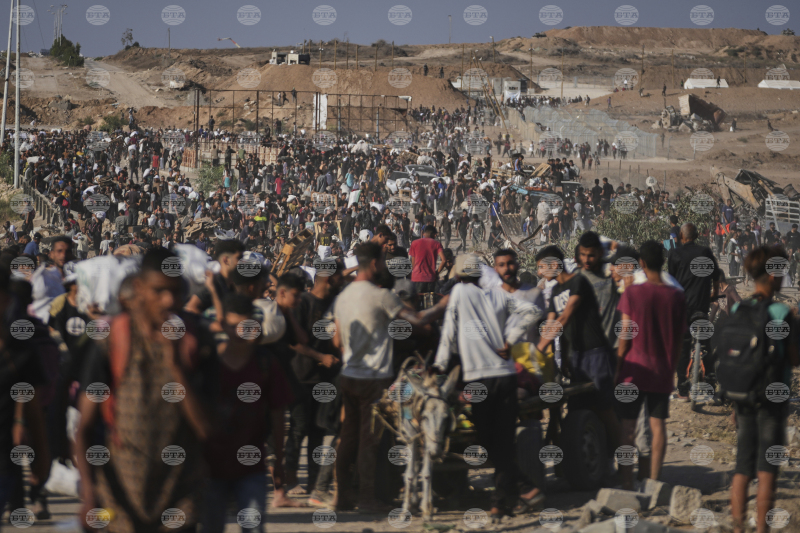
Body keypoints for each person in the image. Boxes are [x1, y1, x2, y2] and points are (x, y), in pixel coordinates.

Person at [75, 248, 218, 533]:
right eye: (159, 291)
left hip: (181, 491)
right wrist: (89, 494)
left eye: (176, 292)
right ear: (139, 288)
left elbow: (207, 428)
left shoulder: (197, 341)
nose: (169, 301)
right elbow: (85, 427)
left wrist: (176, 367)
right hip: (121, 493)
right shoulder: (111, 340)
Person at [331, 242, 438, 513]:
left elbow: (336, 341)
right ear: (375, 263)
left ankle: (341, 496)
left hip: (348, 375)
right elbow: (417, 320)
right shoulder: (382, 296)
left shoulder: (342, 297)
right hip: (374, 378)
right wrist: (443, 307)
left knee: (348, 437)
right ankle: (367, 499)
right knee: (369, 439)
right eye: (382, 261)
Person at [433, 254, 541, 520]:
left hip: (480, 379)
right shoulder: (496, 295)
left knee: (488, 442)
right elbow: (532, 312)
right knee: (502, 443)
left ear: (458, 276)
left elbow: (448, 332)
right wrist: (510, 339)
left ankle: (524, 488)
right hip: (506, 376)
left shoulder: (459, 292)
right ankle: (501, 503)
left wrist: (439, 365)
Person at [728, 246, 798, 533]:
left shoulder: (738, 308)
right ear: (771, 275)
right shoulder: (781, 312)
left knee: (742, 467)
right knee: (767, 470)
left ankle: (737, 527)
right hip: (772, 399)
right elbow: (795, 358)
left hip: (742, 395)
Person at [535, 245, 620, 467]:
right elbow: (552, 324)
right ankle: (588, 465)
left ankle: (622, 464)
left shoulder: (578, 282)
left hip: (595, 352)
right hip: (576, 358)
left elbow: (565, 317)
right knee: (577, 409)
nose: (540, 273)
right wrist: (561, 356)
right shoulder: (555, 291)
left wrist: (538, 350)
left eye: (542, 267)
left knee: (605, 409)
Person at [615, 241, 686, 490]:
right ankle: (654, 484)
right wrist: (671, 367)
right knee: (658, 426)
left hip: (633, 369)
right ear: (663, 262)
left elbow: (625, 334)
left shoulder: (632, 292)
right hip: (661, 371)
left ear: (641, 263)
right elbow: (679, 339)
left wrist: (618, 366)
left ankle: (626, 482)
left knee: (628, 427)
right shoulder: (676, 296)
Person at [667, 223, 720, 398]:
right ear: (696, 236)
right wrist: (715, 293)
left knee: (682, 347)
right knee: (706, 344)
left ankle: (683, 390)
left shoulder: (674, 253)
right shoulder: (705, 252)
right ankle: (710, 385)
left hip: (681, 308)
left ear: (681, 236)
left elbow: (671, 281)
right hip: (701, 306)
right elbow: (716, 276)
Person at [409, 225, 446, 294]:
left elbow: (413, 262)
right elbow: (444, 260)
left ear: (424, 234)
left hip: (416, 278)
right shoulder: (437, 244)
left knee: (417, 299)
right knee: (429, 299)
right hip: (430, 278)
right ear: (434, 235)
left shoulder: (414, 243)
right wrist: (437, 273)